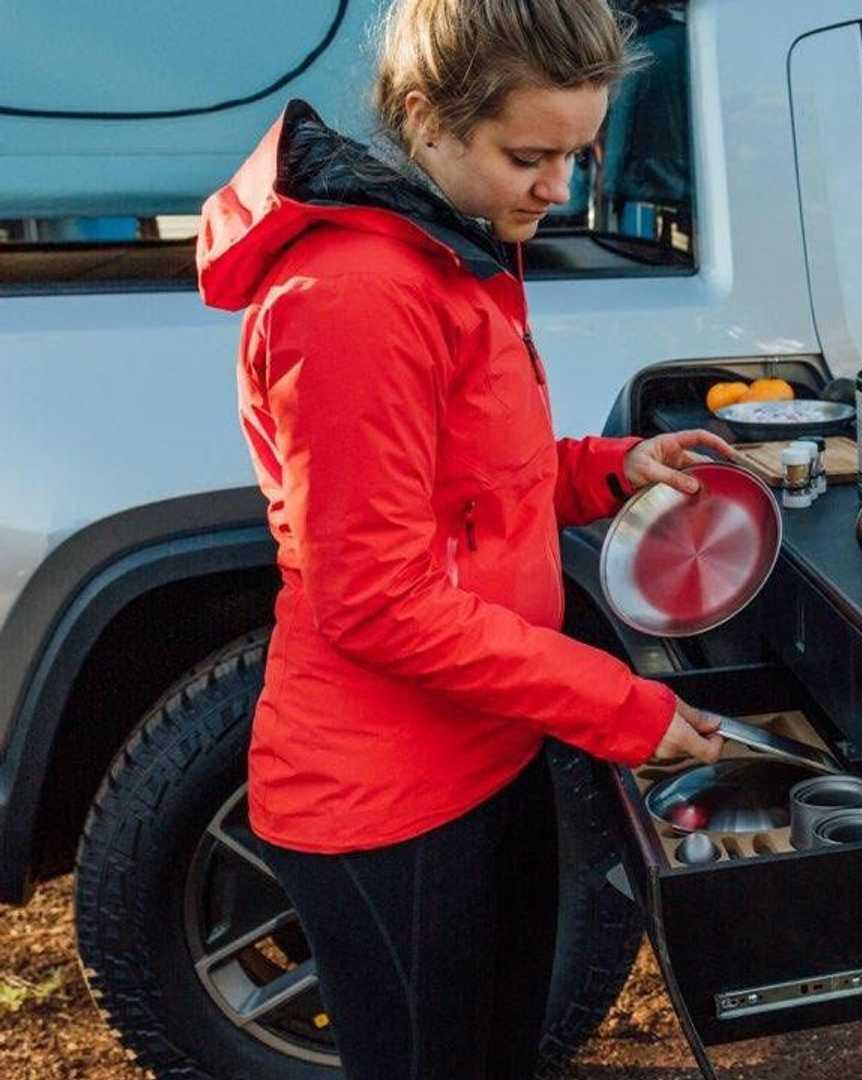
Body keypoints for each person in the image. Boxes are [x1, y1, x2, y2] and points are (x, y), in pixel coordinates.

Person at [195, 1, 726, 1075]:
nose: (559, 189)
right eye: (530, 155)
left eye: (579, 154)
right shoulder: (355, 296)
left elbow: (476, 488)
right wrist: (623, 708)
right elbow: (377, 599)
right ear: (426, 118)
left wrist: (613, 470)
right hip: (383, 795)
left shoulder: (452, 249)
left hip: (487, 746)